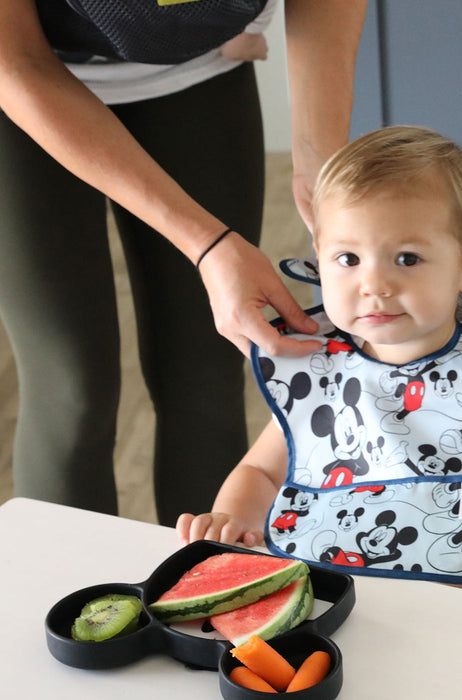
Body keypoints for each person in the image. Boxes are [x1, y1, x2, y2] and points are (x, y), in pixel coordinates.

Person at [177, 125, 462, 598]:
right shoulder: (321, 370)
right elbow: (263, 473)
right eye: (348, 258)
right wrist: (232, 522)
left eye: (407, 258)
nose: (373, 284)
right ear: (319, 257)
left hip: (458, 621)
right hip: (321, 603)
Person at [0, 0, 367, 525]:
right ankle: (68, 602)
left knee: (208, 373)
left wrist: (318, 157)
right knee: (71, 388)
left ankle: (208, 592)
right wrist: (207, 243)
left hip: (195, 72)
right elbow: (15, 64)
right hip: (22, 78)